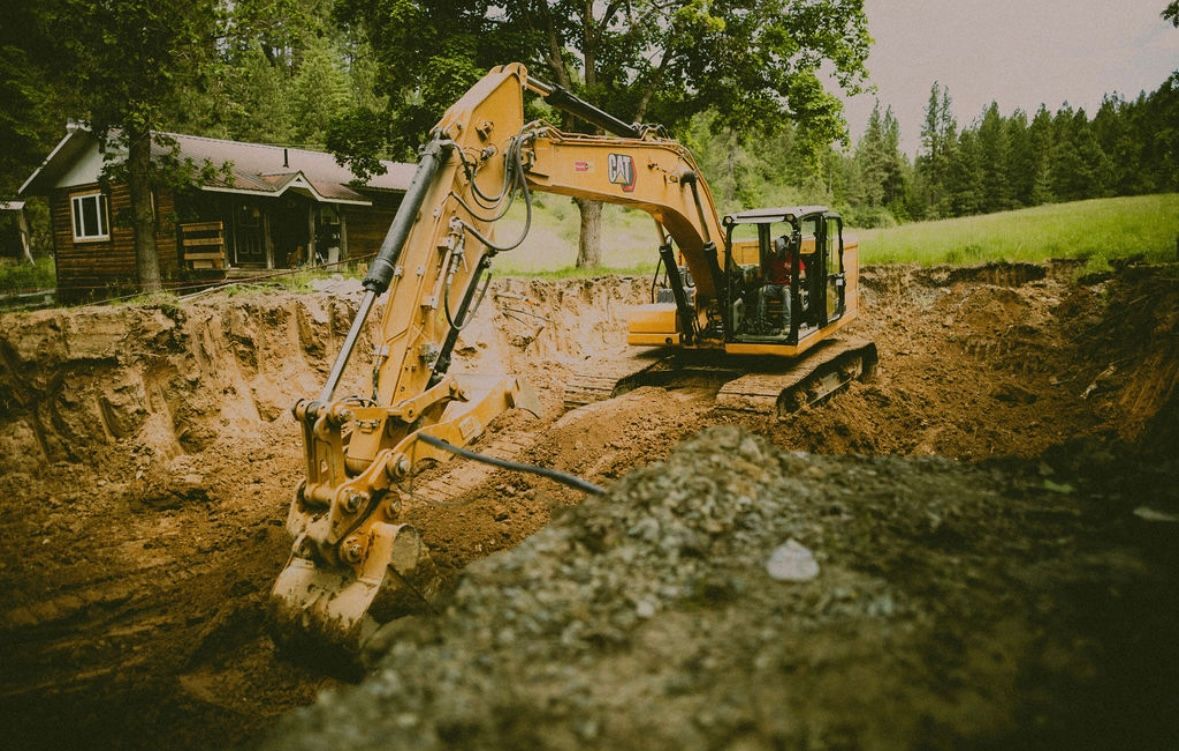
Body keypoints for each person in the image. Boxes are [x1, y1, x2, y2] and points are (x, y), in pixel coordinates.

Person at [758, 235, 796, 333]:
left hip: (786, 286)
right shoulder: (772, 258)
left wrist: (793, 274)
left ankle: (787, 324)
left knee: (786, 293)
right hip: (774, 286)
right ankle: (762, 324)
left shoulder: (793, 258)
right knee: (762, 291)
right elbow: (763, 271)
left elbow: (803, 275)